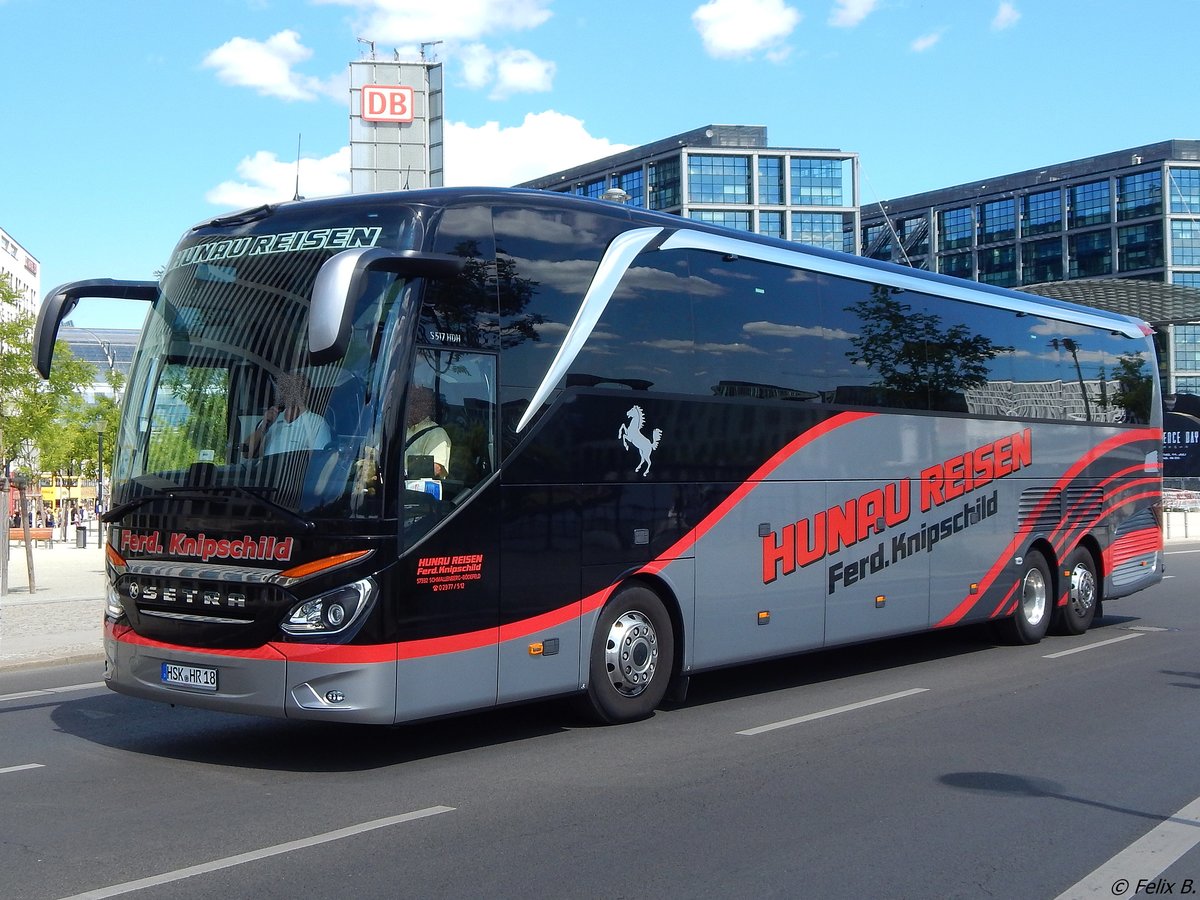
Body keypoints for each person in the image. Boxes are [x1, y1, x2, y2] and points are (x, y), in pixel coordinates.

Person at [245, 371, 331, 457]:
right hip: (268, 466)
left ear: (306, 391)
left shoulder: (317, 423)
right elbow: (246, 453)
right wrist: (263, 427)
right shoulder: (270, 420)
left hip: (296, 466)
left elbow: (321, 460)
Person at [405, 384, 451, 479]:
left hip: (414, 487)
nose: (410, 407)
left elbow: (435, 468)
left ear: (427, 407)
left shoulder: (437, 433)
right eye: (409, 403)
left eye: (415, 403)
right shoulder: (400, 430)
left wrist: (403, 472)